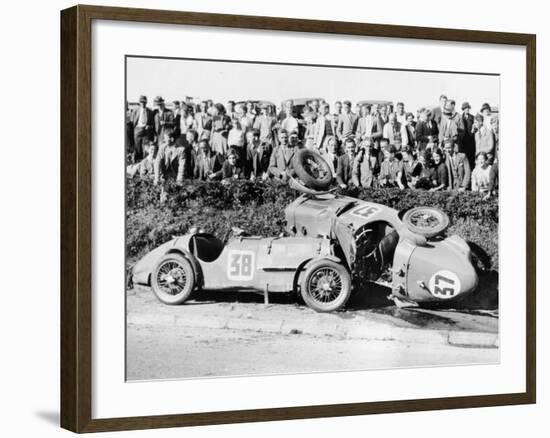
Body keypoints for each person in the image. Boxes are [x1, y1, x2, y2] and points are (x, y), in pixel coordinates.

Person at [131, 95, 154, 162]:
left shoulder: (149, 111)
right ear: (139, 102)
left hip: (146, 130)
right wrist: (135, 128)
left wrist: (149, 126)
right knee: (137, 146)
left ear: (146, 102)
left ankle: (145, 162)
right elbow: (132, 121)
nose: (143, 103)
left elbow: (152, 122)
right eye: (141, 102)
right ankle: (137, 161)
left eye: (144, 102)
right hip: (138, 129)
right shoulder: (135, 110)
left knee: (146, 147)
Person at [461, 102, 476, 168]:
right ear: (463, 109)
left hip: (471, 140)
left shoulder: (472, 117)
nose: (467, 109)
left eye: (468, 108)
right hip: (463, 141)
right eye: (465, 108)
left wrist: (473, 130)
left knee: (471, 158)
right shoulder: (460, 117)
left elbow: (475, 127)